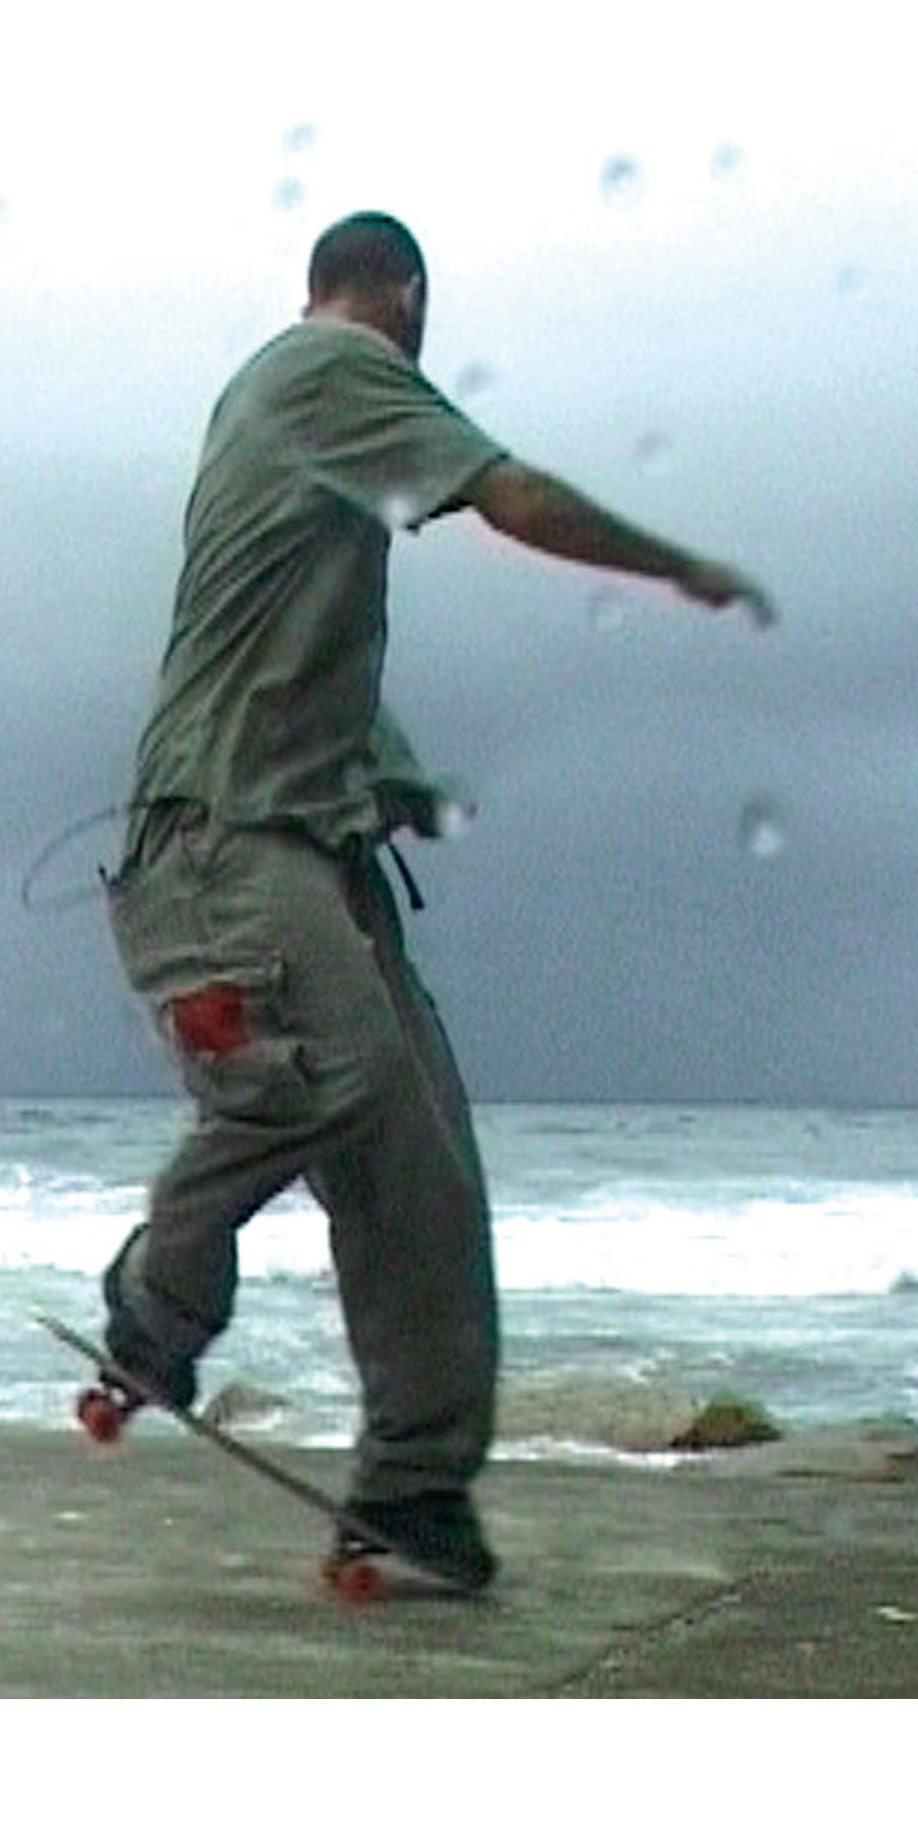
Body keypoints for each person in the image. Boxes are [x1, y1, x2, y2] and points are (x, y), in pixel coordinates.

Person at [99, 211, 774, 1591]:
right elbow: (509, 493)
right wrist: (675, 563)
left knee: (423, 1174)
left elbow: (297, 652)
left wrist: (402, 784)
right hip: (219, 849)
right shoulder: (325, 370)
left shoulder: (298, 449)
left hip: (307, 852)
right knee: (327, 1082)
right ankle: (152, 1313)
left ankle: (415, 1491)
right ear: (400, 296)